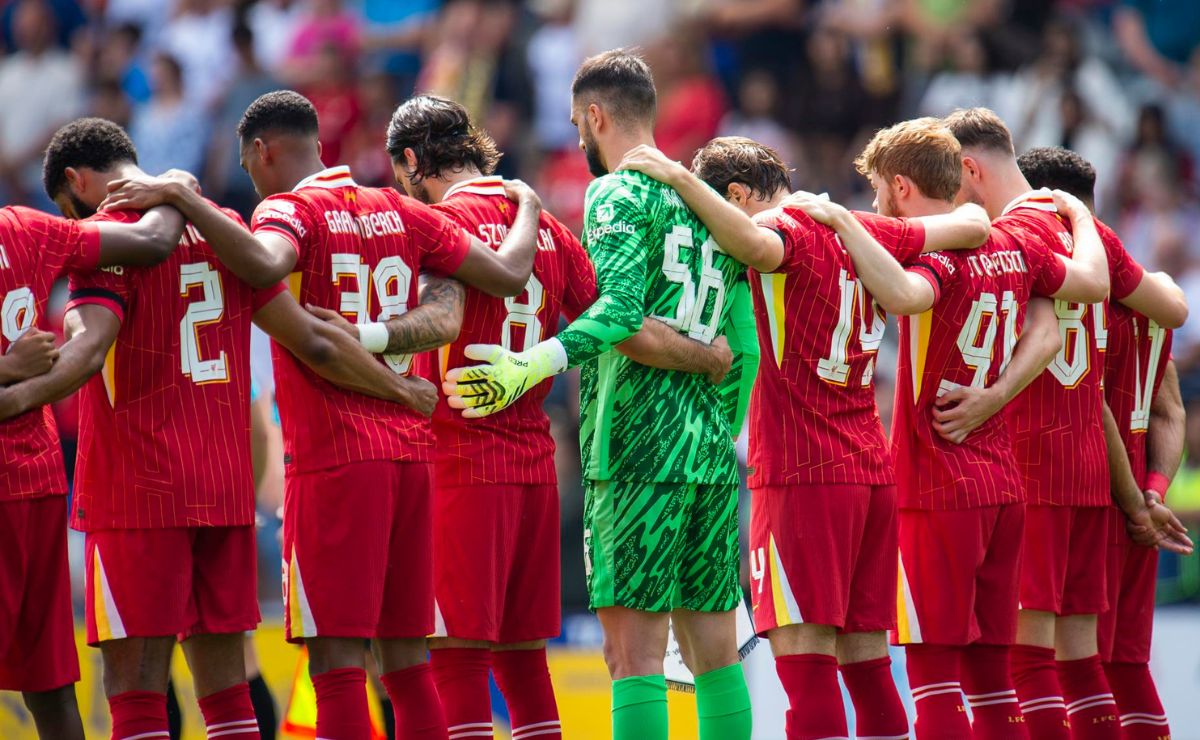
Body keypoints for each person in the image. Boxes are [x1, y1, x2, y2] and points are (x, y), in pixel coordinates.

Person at [101, 89, 547, 739]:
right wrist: (528, 206)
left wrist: (186, 198)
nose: (253, 181)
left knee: (337, 670)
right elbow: (507, 274)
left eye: (248, 166)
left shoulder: (288, 209)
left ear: (263, 151)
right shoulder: (397, 207)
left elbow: (264, 265)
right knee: (408, 668)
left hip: (334, 460)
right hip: (411, 461)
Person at [29, 116, 432, 740]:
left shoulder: (106, 240)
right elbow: (313, 341)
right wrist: (402, 389)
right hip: (223, 494)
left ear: (78, 181)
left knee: (136, 695)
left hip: (136, 493)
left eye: (65, 204)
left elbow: (86, 352)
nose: (71, 218)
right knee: (228, 697)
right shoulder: (226, 229)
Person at [363, 93, 730, 740]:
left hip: (457, 465)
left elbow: (431, 321)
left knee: (456, 661)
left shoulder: (433, 226)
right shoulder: (553, 232)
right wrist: (707, 357)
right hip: (535, 468)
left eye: (400, 174)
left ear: (412, 161)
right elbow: (624, 326)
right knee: (525, 665)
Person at [614, 135, 995, 739]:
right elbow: (973, 224)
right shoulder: (860, 228)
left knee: (806, 668)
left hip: (802, 475)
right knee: (868, 665)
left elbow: (756, 244)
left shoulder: (783, 228)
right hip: (869, 471)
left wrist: (678, 179)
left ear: (737, 196)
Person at [443, 50, 758, 740]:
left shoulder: (617, 193)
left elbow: (617, 313)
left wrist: (528, 367)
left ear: (595, 116)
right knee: (713, 655)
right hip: (707, 452)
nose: (577, 139)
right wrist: (720, 418)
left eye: (575, 125)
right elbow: (745, 349)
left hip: (635, 450)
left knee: (632, 657)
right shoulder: (704, 198)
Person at [943, 108, 1189, 738]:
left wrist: (990, 399)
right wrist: (1145, 494)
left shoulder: (1011, 242)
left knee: (1026, 662)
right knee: (1097, 666)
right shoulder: (1101, 251)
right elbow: (1172, 323)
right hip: (1097, 477)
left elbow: (1059, 353)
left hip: (1039, 467)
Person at [0, 169, 185, 740]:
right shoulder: (24, 229)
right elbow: (155, 239)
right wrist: (175, 189)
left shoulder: (26, 228)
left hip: (33, 486)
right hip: (37, 479)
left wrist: (176, 188)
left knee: (52, 682)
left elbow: (153, 243)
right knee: (50, 688)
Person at [1017, 145, 1192, 737]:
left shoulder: (1084, 296)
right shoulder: (1146, 292)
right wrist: (1155, 489)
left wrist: (1134, 501)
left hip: (1093, 494)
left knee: (1054, 666)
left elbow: (1091, 406)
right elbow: (1169, 410)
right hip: (1139, 500)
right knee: (1123, 669)